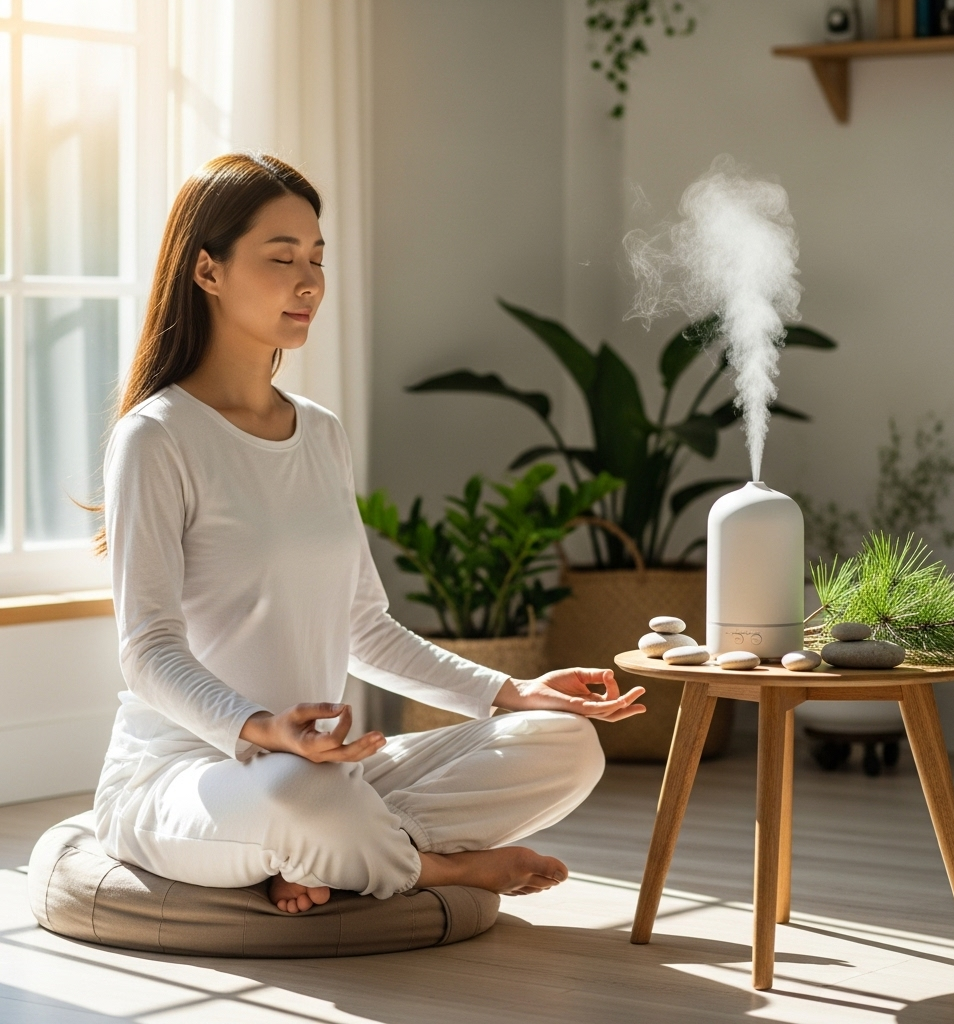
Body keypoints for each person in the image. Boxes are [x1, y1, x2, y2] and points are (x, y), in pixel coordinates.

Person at [94, 153, 646, 915]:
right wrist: (260, 729)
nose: (309, 282)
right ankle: (436, 869)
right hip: (191, 773)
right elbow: (147, 650)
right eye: (281, 258)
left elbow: (364, 629)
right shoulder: (156, 438)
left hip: (328, 771)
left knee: (565, 744)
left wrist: (512, 692)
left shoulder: (318, 432)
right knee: (296, 797)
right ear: (208, 271)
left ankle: (340, 853)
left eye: (317, 258)